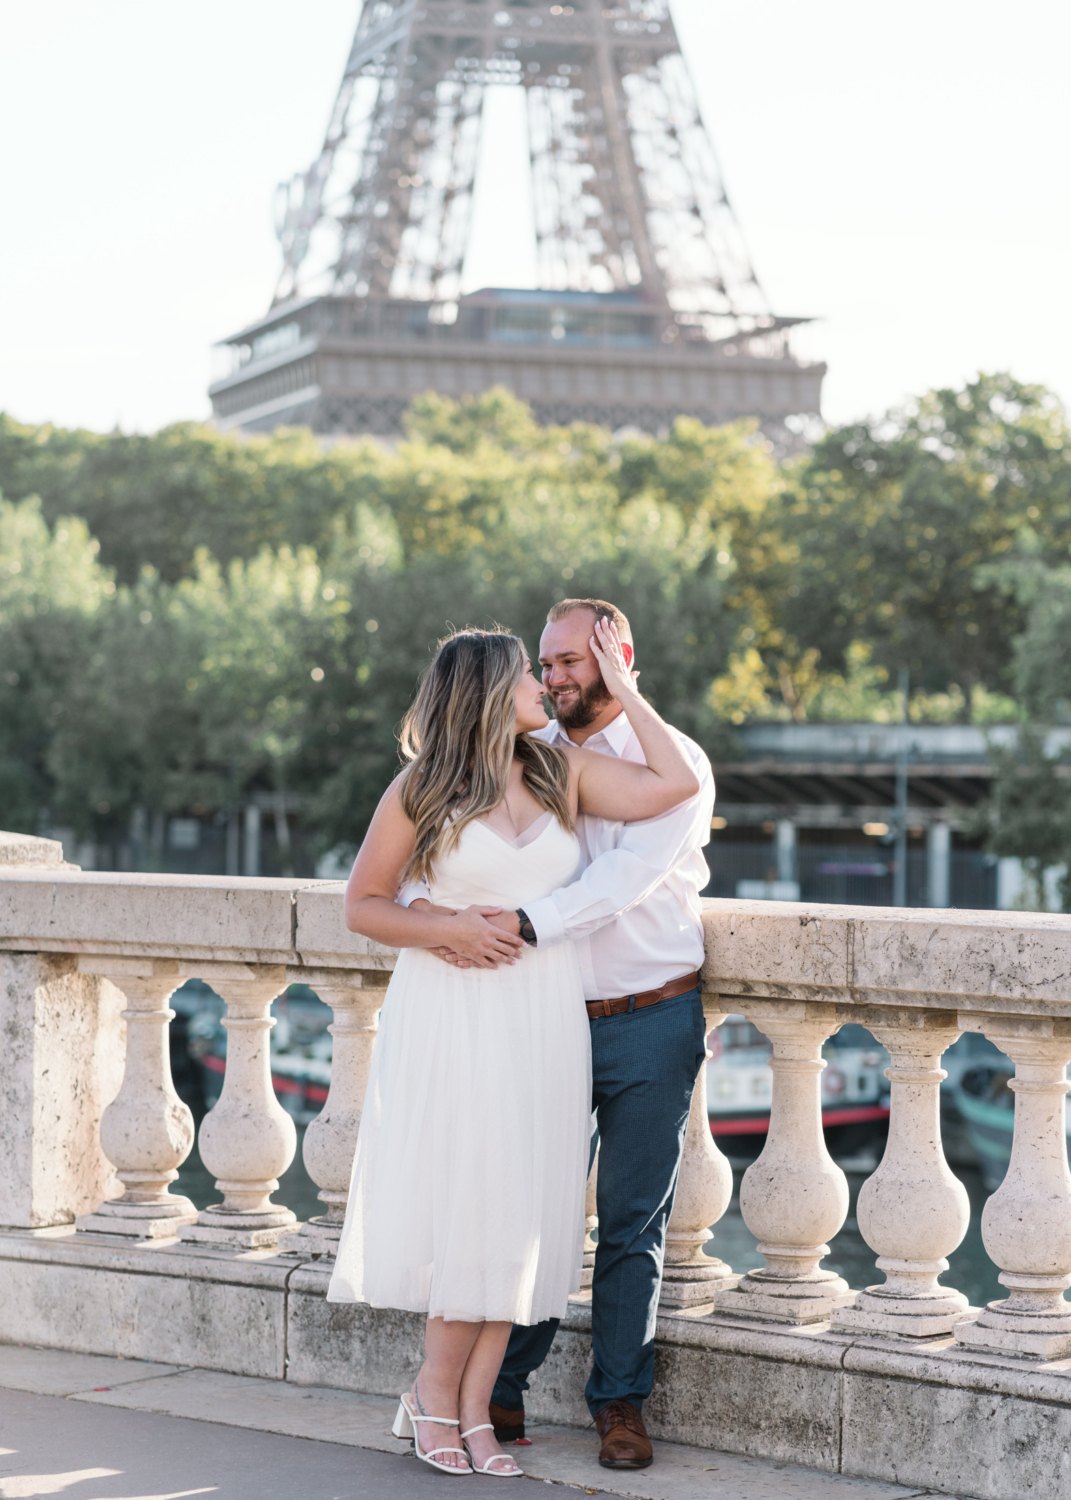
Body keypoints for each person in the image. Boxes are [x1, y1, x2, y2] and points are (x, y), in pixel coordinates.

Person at [328, 619, 700, 1478]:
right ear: (492, 689)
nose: (545, 683)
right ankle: (432, 1395)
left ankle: (474, 1413)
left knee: (524, 1215)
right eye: (530, 673)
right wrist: (442, 926)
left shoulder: (554, 769)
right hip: (458, 1017)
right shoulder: (420, 788)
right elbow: (363, 904)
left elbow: (672, 785)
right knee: (473, 1207)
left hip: (542, 1017)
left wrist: (626, 684)